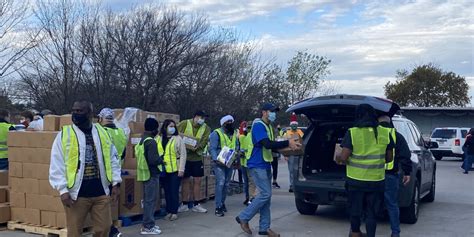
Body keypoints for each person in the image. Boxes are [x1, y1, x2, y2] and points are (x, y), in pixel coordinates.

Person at [49, 101, 122, 237]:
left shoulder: (103, 133)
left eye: (79, 111)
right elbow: (56, 163)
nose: (75, 114)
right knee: (75, 232)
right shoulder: (65, 135)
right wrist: (62, 190)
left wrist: (116, 183)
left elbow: (113, 159)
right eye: (74, 110)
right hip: (76, 194)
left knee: (104, 228)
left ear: (90, 113)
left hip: (100, 191)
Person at [236, 103, 301, 237]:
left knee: (267, 197)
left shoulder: (268, 126)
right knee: (265, 194)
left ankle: (264, 227)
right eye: (272, 111)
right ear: (264, 112)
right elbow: (267, 143)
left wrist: (289, 149)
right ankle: (244, 217)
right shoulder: (259, 125)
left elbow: (271, 147)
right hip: (257, 164)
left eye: (275, 112)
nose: (274, 114)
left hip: (265, 164)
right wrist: (287, 143)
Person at [335, 104, 394, 237]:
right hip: (376, 181)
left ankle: (355, 233)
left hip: (356, 181)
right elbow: (389, 158)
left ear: (358, 115)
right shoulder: (385, 132)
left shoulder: (353, 132)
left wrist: (338, 157)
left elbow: (344, 158)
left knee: (355, 210)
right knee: (372, 213)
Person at [378, 115, 412, 237]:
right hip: (390, 175)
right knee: (392, 204)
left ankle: (369, 229)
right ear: (390, 123)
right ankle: (395, 232)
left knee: (371, 204)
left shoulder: (373, 134)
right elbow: (405, 155)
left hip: (373, 175)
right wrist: (407, 172)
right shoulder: (397, 136)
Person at [98, 108, 127, 237]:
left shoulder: (102, 132)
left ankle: (110, 230)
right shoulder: (120, 132)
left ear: (101, 119)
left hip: (104, 172)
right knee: (109, 202)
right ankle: (111, 229)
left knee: (102, 204)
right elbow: (124, 153)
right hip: (116, 170)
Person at [177, 110, 211, 213]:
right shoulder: (184, 123)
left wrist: (197, 147)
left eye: (204, 118)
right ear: (195, 117)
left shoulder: (206, 128)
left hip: (197, 157)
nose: (202, 120)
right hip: (185, 157)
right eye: (201, 118)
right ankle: (185, 203)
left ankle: (197, 204)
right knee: (185, 180)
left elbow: (204, 142)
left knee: (197, 181)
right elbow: (177, 135)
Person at [135, 118, 164, 235]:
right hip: (152, 174)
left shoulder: (142, 140)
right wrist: (161, 160)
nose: (157, 131)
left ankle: (149, 224)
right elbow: (153, 160)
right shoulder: (151, 142)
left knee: (148, 200)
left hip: (145, 173)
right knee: (150, 201)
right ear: (153, 129)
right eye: (156, 128)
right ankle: (148, 226)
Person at [157, 119, 187, 221]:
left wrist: (181, 169)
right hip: (164, 170)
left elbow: (183, 155)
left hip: (175, 169)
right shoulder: (159, 138)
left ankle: (174, 212)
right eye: (170, 126)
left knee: (174, 191)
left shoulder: (178, 139)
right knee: (167, 191)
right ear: (165, 128)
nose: (172, 128)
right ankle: (168, 211)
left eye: (173, 126)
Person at [210, 115, 239, 217]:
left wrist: (237, 155)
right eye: (228, 122)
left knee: (226, 183)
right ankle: (218, 207)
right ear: (223, 123)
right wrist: (215, 159)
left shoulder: (234, 133)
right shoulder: (216, 133)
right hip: (219, 162)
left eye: (232, 121)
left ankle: (222, 203)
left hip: (229, 161)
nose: (230, 123)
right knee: (221, 183)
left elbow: (236, 145)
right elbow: (212, 148)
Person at [283, 114, 304, 193]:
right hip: (290, 154)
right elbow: (283, 145)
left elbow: (303, 142)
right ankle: (292, 185)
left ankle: (299, 185)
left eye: (295, 125)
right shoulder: (287, 133)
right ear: (291, 125)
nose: (294, 126)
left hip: (299, 154)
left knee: (299, 170)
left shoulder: (300, 132)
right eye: (293, 125)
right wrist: (285, 155)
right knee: (291, 170)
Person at [239, 121, 256, 206]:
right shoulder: (250, 136)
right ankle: (250, 198)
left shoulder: (241, 136)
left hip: (244, 162)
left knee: (247, 182)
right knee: (251, 182)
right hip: (249, 162)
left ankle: (247, 198)